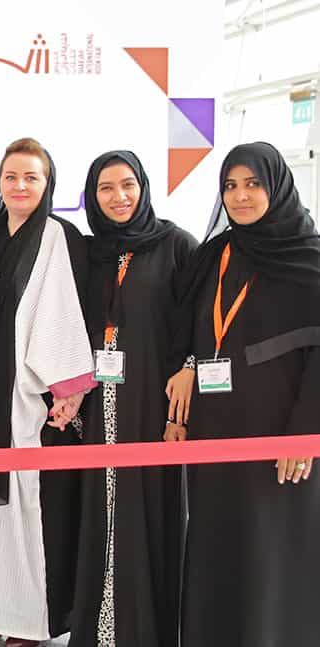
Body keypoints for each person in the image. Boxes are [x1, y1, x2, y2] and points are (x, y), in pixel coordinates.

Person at [170, 142, 320, 646]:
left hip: (280, 434)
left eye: (253, 183)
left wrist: (306, 432)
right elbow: (191, 328)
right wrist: (189, 367)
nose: (241, 196)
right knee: (217, 545)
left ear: (276, 186)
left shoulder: (309, 257)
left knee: (271, 553)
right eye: (231, 186)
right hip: (217, 429)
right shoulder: (215, 253)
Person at [0, 137, 94, 647]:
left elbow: (60, 314)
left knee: (27, 508)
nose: (20, 186)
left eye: (31, 178)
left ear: (47, 184)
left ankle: (29, 622)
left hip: (29, 400)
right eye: (11, 177)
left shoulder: (57, 237)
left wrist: (66, 386)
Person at [68, 151, 197, 647]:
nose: (118, 197)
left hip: (151, 404)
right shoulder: (89, 251)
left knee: (149, 513)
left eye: (127, 185)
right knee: (98, 510)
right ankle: (98, 629)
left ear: (143, 187)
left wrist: (181, 402)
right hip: (98, 406)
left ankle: (144, 631)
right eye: (105, 188)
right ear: (92, 196)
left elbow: (193, 326)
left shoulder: (177, 246)